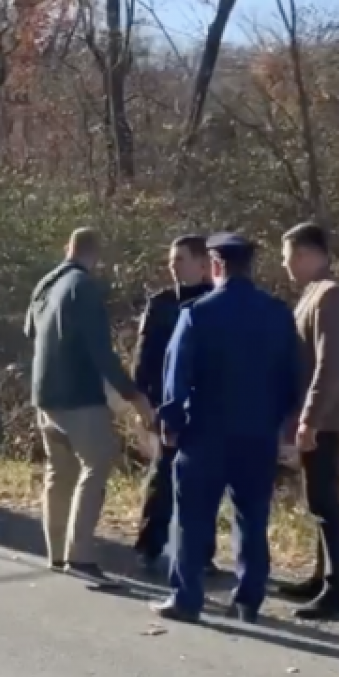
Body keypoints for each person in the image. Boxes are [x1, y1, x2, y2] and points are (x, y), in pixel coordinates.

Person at [150, 233, 301, 623]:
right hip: (257, 432)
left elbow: (176, 373)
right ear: (249, 266)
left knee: (192, 516)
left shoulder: (198, 313)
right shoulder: (278, 313)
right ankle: (249, 598)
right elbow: (292, 376)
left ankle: (187, 597)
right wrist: (282, 423)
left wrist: (171, 421)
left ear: (215, 266)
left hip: (205, 431)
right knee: (252, 517)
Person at [25, 227, 155, 586]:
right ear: (95, 254)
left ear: (69, 248)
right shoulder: (83, 288)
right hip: (79, 395)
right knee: (96, 465)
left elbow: (30, 332)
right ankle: (80, 556)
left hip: (45, 395)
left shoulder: (45, 285)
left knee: (59, 471)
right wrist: (131, 393)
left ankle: (56, 553)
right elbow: (100, 350)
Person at [278, 222, 339, 620]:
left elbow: (331, 365)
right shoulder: (313, 294)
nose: (286, 267)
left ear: (307, 254)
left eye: (288, 258)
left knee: (325, 500)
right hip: (318, 415)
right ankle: (320, 577)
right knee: (315, 498)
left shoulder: (330, 296)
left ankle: (336, 591)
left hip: (327, 417)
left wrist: (310, 419)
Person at [132, 235, 220, 574]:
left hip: (207, 406)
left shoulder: (216, 302)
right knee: (163, 478)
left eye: (180, 259)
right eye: (171, 259)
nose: (173, 265)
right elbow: (145, 356)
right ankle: (148, 545)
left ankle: (201, 553)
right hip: (169, 405)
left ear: (202, 264)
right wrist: (143, 402)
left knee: (206, 483)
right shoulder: (161, 303)